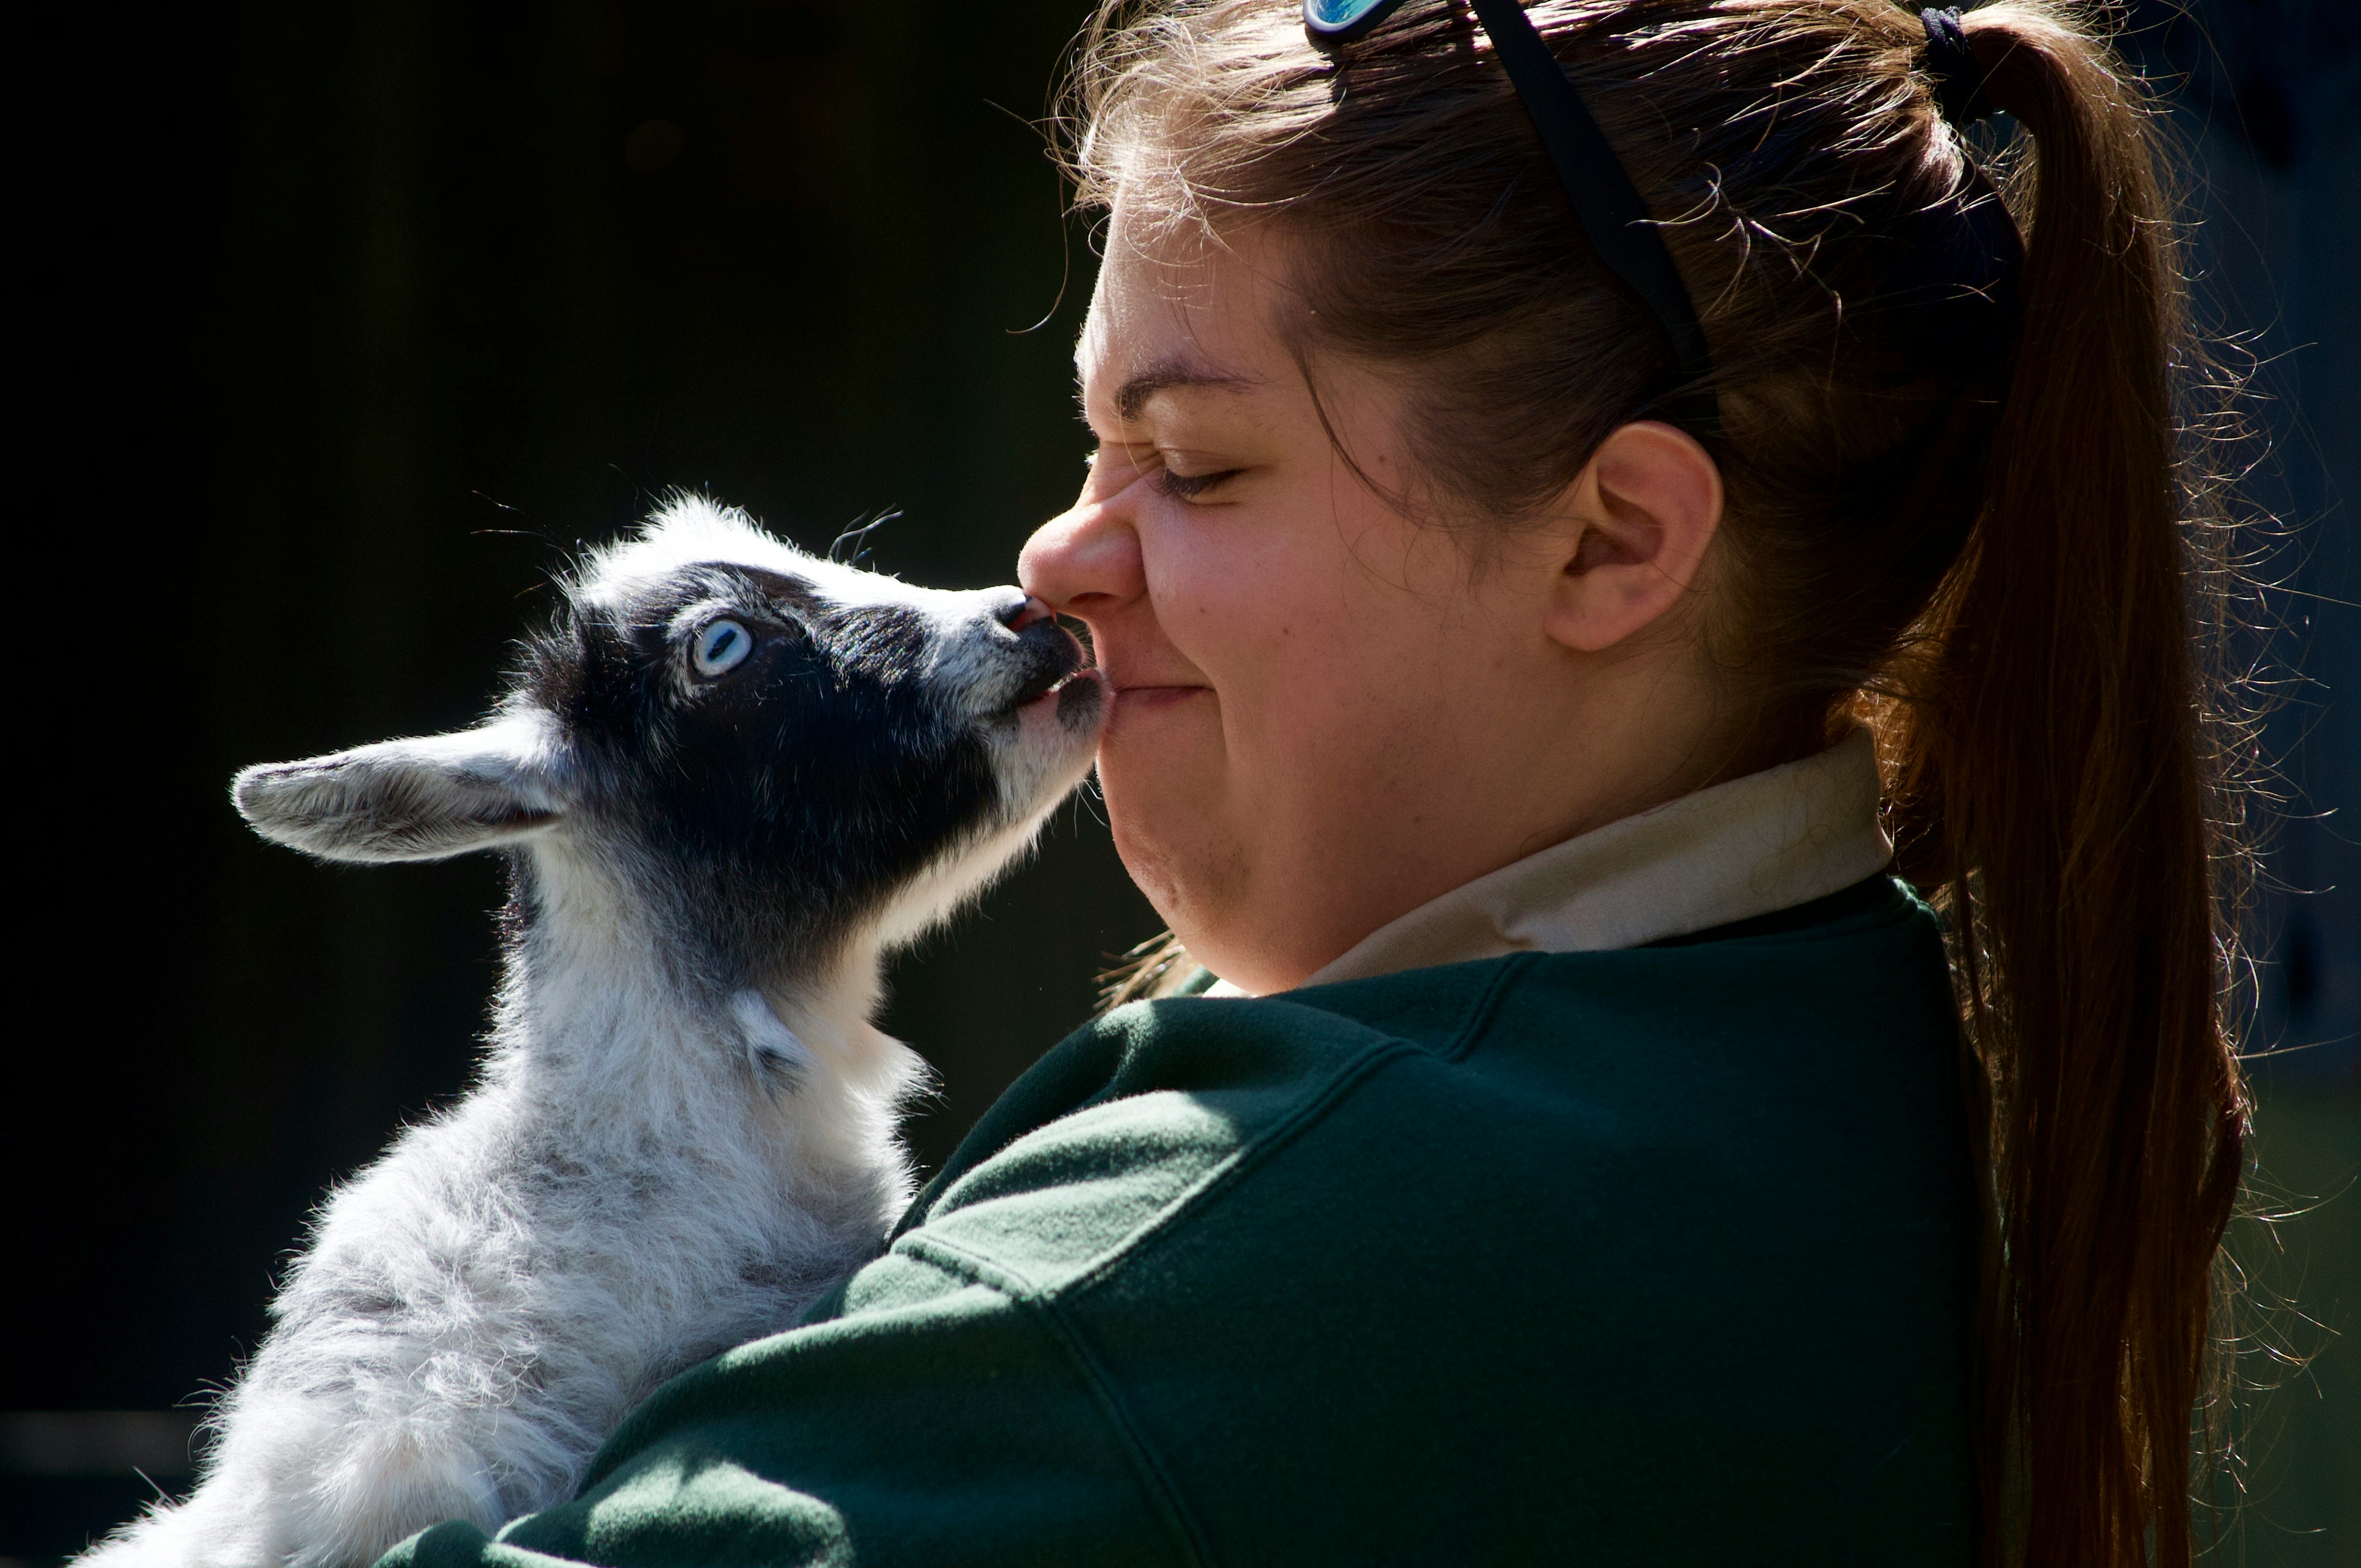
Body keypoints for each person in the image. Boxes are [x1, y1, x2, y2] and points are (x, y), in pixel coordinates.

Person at [387, 1, 2249, 1564]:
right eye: (1092, 438)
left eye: (1193, 467)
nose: (1055, 557)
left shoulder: (1241, 1258)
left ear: (1611, 541)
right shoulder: (1868, 1033)